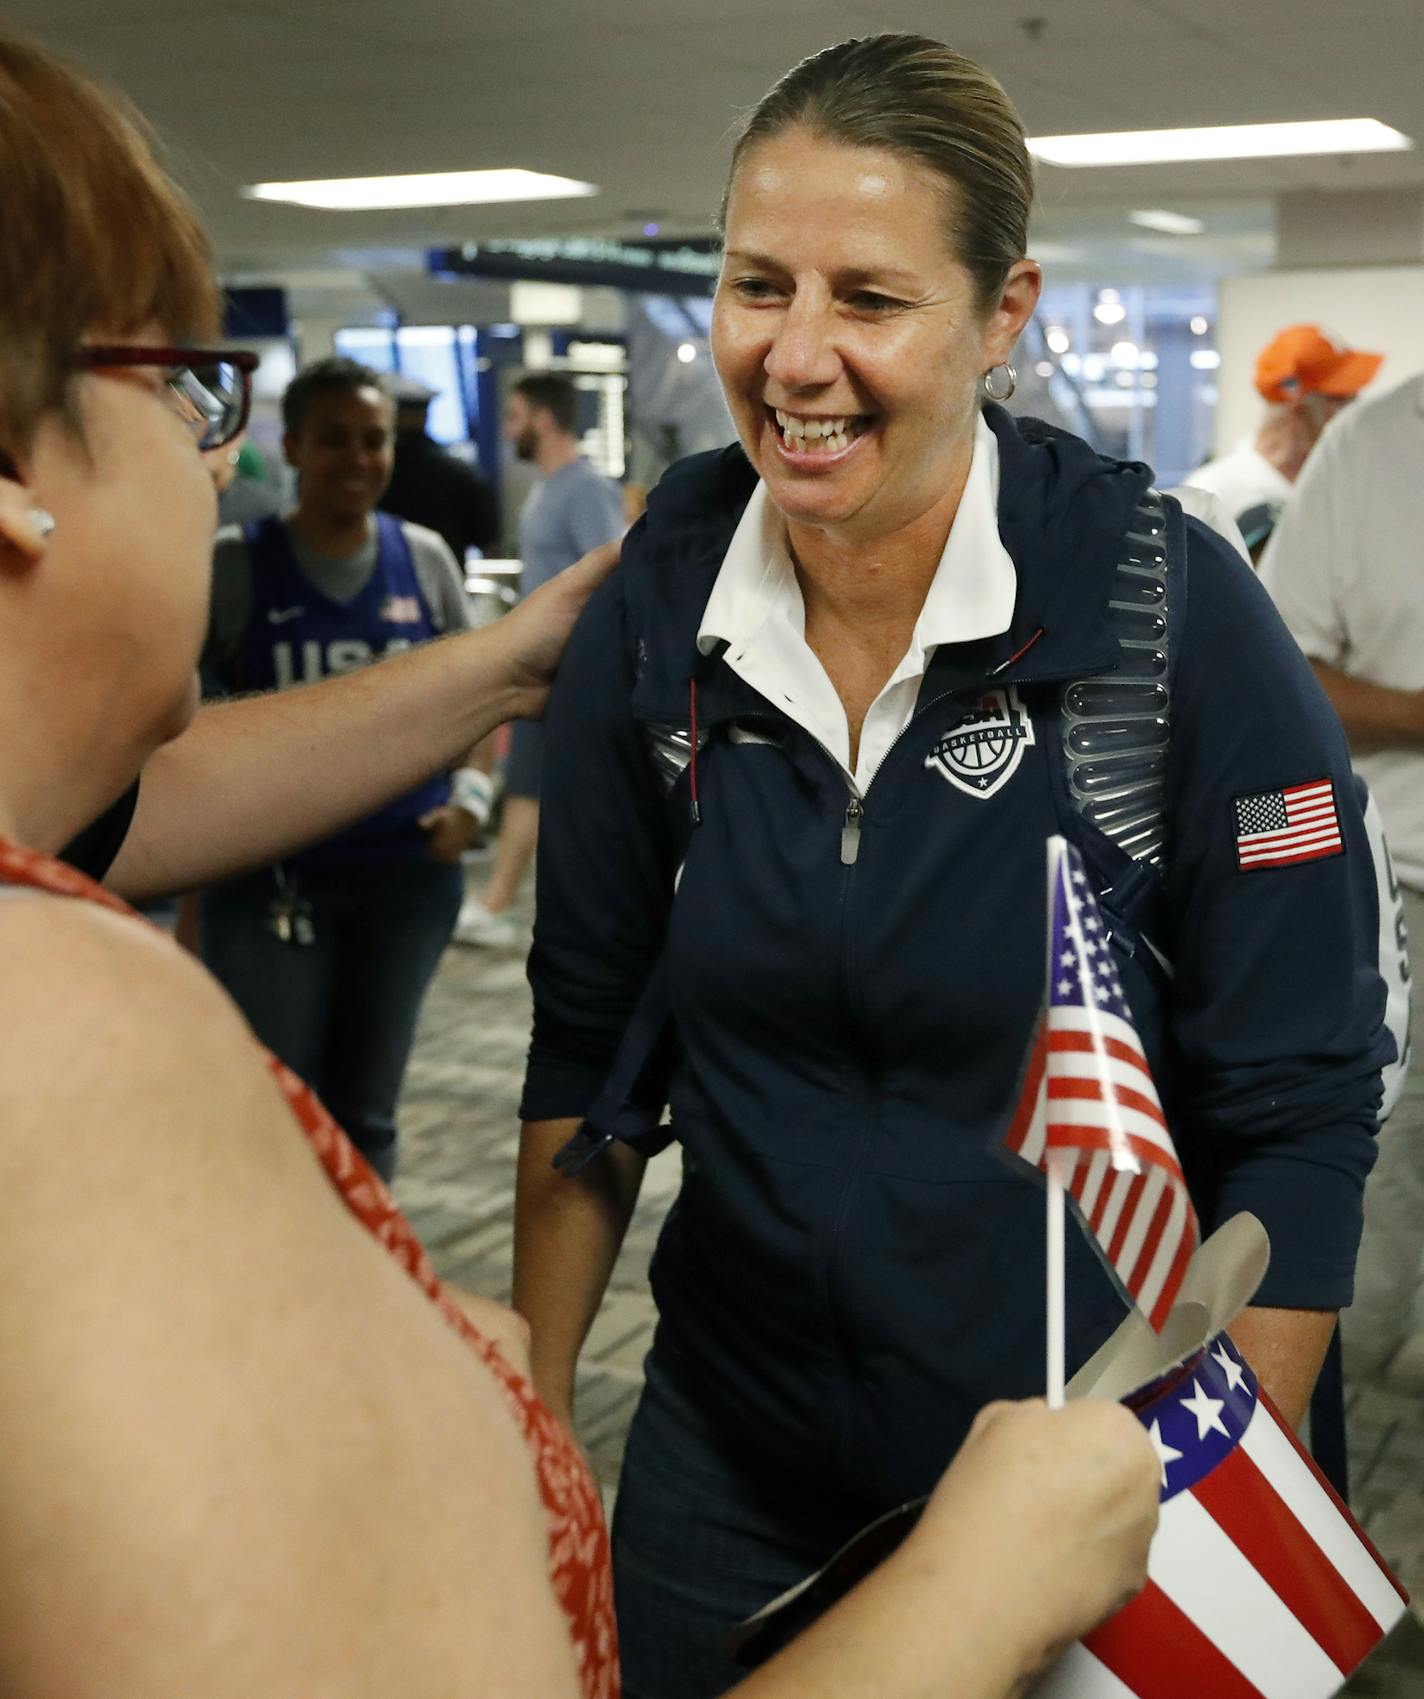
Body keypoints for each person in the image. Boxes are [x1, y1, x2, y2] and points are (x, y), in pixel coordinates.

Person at [0, 30, 1168, 1699]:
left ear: (999, 318)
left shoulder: (1137, 586)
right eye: (183, 391)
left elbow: (135, 801)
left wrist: (499, 660)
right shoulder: (77, 1047)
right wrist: (984, 1576)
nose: (216, 461)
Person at [512, 33, 1395, 1697]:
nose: (793, 354)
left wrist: (1209, 1509)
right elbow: (581, 1035)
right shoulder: (663, 606)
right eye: (753, 282)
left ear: (1003, 316)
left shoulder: (1164, 609)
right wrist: (543, 1411)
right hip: (729, 1435)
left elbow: (1298, 1111)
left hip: (1084, 1451)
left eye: (866, 296)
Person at [198, 357, 486, 1181]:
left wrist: (470, 798)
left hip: (404, 880)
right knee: (283, 1110)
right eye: (333, 441)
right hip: (270, 884)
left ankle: (371, 1293)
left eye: (374, 441)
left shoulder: (422, 559)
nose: (358, 460)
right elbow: (179, 722)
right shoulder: (237, 562)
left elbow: (473, 698)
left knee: (367, 1112)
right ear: (290, 446)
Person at [1260, 372, 1424, 1382]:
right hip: (1394, 884)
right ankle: (1329, 1458)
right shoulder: (1370, 445)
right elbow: (1281, 668)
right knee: (1375, 1173)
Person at [455, 373, 625, 948]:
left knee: (534, 787)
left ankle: (499, 901)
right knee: (531, 786)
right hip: (547, 668)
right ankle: (503, 901)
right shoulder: (547, 488)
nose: (508, 429)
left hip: (574, 670)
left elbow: (611, 573)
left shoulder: (585, 489)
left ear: (544, 420)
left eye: (515, 416)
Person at [1185, 324, 1382, 562]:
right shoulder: (1213, 493)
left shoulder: (1343, 487)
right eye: (1340, 399)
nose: (1353, 412)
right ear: (1298, 406)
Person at [382, 373, 501, 566]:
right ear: (425, 415)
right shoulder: (460, 472)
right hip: (445, 585)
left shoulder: (377, 472)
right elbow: (488, 543)